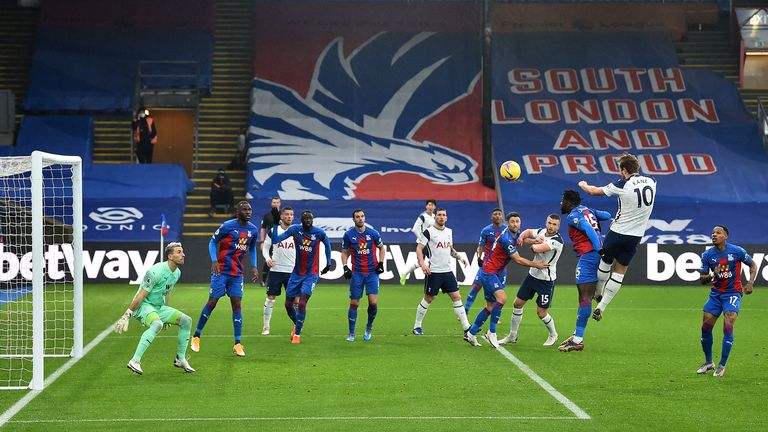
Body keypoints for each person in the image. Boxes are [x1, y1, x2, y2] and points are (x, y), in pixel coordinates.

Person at [577, 153, 657, 321]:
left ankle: (598, 291)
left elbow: (593, 191)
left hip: (618, 232)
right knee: (620, 272)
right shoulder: (652, 182)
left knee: (605, 262)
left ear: (624, 170)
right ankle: (602, 306)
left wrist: (583, 184)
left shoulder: (622, 184)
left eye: (620, 169)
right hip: (635, 236)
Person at [464, 212, 550, 348]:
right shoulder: (505, 238)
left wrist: (533, 241)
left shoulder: (512, 234)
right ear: (507, 223)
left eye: (517, 221)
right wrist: (536, 264)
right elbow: (518, 259)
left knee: (490, 306)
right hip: (489, 272)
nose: (515, 224)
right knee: (502, 299)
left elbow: (520, 240)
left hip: (494, 272)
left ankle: (472, 333)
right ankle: (492, 332)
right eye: (512, 222)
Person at [191, 201, 260, 357]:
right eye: (245, 209)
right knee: (212, 301)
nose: (248, 212)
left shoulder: (253, 230)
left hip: (237, 273)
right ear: (237, 211)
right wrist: (214, 260)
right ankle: (196, 336)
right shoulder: (227, 226)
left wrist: (254, 266)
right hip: (221, 271)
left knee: (237, 303)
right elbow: (212, 242)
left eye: (250, 209)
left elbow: (252, 248)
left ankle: (237, 343)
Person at [114, 242, 195, 374]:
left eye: (182, 251)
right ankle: (134, 361)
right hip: (144, 305)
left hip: (158, 307)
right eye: (179, 252)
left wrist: (166, 312)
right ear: (170, 256)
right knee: (157, 324)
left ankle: (180, 359)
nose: (183, 255)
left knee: (186, 320)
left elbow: (167, 291)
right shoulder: (155, 272)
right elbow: (141, 295)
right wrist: (127, 314)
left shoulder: (177, 273)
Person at [695, 225, 757, 377]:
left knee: (728, 326)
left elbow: (753, 264)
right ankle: (709, 362)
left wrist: (749, 283)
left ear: (725, 236)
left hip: (732, 294)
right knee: (705, 328)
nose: (714, 235)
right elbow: (702, 279)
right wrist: (711, 275)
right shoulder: (708, 255)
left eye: (718, 233)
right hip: (715, 295)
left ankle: (722, 365)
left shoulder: (737, 251)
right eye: (713, 233)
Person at [557, 190, 612, 352]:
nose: (561, 204)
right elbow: (607, 215)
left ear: (569, 202)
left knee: (584, 298)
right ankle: (598, 298)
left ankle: (578, 339)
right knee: (587, 296)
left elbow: (587, 228)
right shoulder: (588, 210)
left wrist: (598, 249)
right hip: (596, 256)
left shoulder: (573, 216)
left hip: (590, 256)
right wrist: (594, 214)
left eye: (563, 200)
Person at [498, 214, 564, 347]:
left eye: (554, 224)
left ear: (558, 226)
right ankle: (512, 335)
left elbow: (536, 249)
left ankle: (553, 334)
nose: (551, 226)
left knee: (541, 313)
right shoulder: (541, 232)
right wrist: (522, 237)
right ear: (546, 222)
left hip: (546, 280)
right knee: (517, 303)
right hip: (532, 276)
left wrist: (534, 242)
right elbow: (528, 231)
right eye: (549, 223)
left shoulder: (557, 241)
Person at [270, 210, 332, 344]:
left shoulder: (319, 233)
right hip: (296, 273)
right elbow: (275, 240)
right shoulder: (295, 230)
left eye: (310, 218)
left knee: (302, 301)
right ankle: (297, 324)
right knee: (287, 304)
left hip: (311, 275)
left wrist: (329, 262)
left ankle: (297, 334)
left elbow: (327, 244)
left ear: (313, 219)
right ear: (302, 220)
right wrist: (275, 224)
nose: (308, 220)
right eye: (305, 218)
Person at [411, 208, 472, 336]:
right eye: (439, 215)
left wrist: (460, 257)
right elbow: (419, 248)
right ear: (435, 217)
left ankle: (467, 327)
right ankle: (417, 325)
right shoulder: (428, 232)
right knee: (429, 298)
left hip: (447, 271)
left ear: (446, 218)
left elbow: (449, 248)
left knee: (457, 297)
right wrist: (422, 264)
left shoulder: (449, 231)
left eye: (444, 215)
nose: (441, 217)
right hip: (434, 272)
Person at [341, 209, 386, 342]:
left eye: (362, 216)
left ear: (364, 218)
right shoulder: (349, 235)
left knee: (373, 302)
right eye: (357, 217)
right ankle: (351, 333)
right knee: (354, 302)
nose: (360, 219)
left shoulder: (373, 233)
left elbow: (382, 248)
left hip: (372, 273)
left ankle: (369, 327)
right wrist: (345, 266)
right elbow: (344, 252)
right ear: (353, 220)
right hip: (357, 273)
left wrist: (381, 263)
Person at [464, 208, 509, 315]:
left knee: (498, 292)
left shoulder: (507, 230)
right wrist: (479, 257)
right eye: (495, 214)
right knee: (476, 286)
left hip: (501, 268)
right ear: (491, 217)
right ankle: (464, 311)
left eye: (499, 214)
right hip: (487, 266)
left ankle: (496, 314)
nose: (497, 216)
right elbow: (481, 246)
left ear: (502, 217)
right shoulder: (486, 230)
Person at [260, 206, 295, 335]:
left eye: (291, 214)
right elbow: (265, 247)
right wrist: (267, 258)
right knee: (270, 298)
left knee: (295, 300)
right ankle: (266, 326)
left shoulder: (296, 231)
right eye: (287, 214)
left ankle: (297, 325)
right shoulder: (274, 230)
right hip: (276, 269)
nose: (289, 216)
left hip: (292, 271)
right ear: (281, 216)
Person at [400, 199, 437, 285]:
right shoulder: (422, 216)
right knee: (421, 263)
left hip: (431, 243)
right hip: (423, 244)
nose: (430, 207)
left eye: (432, 205)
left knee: (434, 262)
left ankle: (435, 283)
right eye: (429, 205)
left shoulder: (435, 216)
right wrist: (421, 239)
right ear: (426, 206)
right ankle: (404, 273)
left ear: (435, 207)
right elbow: (415, 229)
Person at [259, 197, 282, 286]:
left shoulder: (283, 215)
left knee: (279, 260)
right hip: (271, 241)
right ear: (271, 204)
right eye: (274, 202)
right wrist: (262, 241)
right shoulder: (267, 216)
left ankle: (279, 280)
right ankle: (264, 280)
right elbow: (263, 229)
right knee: (269, 260)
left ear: (280, 203)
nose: (275, 204)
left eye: (277, 202)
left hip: (281, 241)